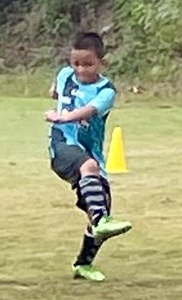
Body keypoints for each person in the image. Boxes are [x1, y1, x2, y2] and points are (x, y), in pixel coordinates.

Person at [46, 32, 132, 282]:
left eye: (88, 64)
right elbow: (55, 90)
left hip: (88, 150)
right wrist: (59, 109)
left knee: (99, 204)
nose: (81, 70)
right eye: (76, 64)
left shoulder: (106, 91)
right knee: (89, 167)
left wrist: (63, 115)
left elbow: (89, 110)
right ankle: (101, 219)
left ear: (102, 63)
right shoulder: (64, 76)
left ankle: (83, 264)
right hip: (61, 145)